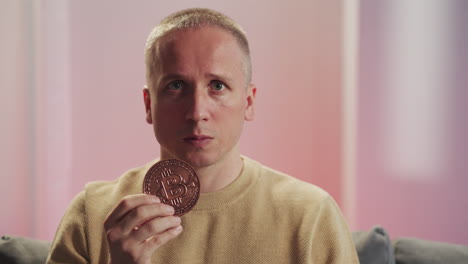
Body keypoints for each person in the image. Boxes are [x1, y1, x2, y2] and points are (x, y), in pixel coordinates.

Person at [47, 8, 359, 264]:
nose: (197, 111)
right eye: (176, 86)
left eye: (217, 86)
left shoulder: (310, 216)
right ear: (148, 105)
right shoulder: (93, 216)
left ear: (248, 102)